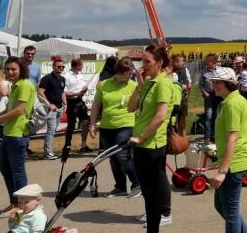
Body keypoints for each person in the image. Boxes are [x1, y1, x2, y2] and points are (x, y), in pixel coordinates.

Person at [208, 66, 247, 233]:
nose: (214, 85)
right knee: (221, 206)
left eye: (217, 83)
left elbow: (233, 137)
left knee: (231, 214)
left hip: (233, 165)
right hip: (237, 161)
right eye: (213, 82)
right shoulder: (238, 100)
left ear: (228, 84)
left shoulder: (232, 104)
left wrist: (222, 171)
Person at [128, 45, 173, 231]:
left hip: (152, 145)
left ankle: (158, 221)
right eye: (142, 61)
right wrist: (139, 85)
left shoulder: (163, 83)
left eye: (148, 61)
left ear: (160, 62)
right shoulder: (148, 82)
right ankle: (153, 221)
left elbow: (161, 116)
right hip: (142, 144)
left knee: (152, 194)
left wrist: (141, 137)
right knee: (148, 193)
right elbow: (131, 108)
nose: (143, 65)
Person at [0, 57, 35, 215]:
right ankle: (14, 202)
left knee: (17, 171)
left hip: (18, 134)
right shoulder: (15, 85)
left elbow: (19, 110)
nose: (10, 72)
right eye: (7, 69)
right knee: (5, 168)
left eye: (13, 69)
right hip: (9, 132)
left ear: (21, 69)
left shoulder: (25, 85)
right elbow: (9, 108)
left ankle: (21, 206)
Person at [89, 57, 140, 198]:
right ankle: (120, 187)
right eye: (126, 74)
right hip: (106, 126)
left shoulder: (133, 85)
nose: (129, 77)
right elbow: (96, 106)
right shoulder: (104, 85)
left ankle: (137, 183)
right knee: (112, 158)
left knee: (122, 155)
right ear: (118, 72)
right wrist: (92, 124)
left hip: (126, 124)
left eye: (130, 74)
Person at [37, 57, 66, 160]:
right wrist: (49, 104)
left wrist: (65, 103)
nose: (61, 68)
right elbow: (40, 92)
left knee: (53, 130)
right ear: (53, 67)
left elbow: (62, 92)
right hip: (50, 109)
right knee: (51, 130)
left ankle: (49, 151)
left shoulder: (62, 79)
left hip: (59, 108)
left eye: (63, 66)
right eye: (58, 66)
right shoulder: (47, 78)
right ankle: (47, 152)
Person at [63, 58, 91, 153]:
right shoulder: (66, 76)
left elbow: (82, 87)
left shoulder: (80, 74)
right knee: (71, 125)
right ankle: (67, 146)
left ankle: (83, 145)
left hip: (80, 100)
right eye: (81, 65)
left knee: (86, 121)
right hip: (71, 102)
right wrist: (77, 93)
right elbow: (64, 92)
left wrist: (84, 89)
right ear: (77, 65)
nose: (82, 67)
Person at [201, 54, 223, 143]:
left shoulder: (220, 71)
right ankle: (207, 136)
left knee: (217, 116)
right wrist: (204, 92)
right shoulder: (204, 71)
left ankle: (214, 135)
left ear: (212, 62)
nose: (206, 63)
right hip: (208, 95)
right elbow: (200, 84)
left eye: (207, 61)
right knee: (208, 116)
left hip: (218, 96)